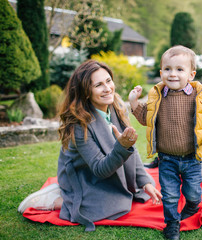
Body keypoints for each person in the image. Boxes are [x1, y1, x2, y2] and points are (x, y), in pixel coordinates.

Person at [17, 60, 162, 232]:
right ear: (86, 92)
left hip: (107, 169)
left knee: (131, 195)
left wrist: (144, 182)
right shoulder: (79, 125)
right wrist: (122, 147)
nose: (107, 88)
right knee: (111, 206)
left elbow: (133, 150)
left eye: (108, 81)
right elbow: (100, 169)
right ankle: (56, 200)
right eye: (98, 85)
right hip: (82, 175)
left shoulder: (116, 107)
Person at [129, 45, 202, 240]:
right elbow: (146, 117)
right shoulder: (157, 98)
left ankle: (192, 204)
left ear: (191, 74)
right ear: (161, 72)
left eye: (180, 69)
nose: (173, 74)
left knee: (193, 193)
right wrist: (133, 103)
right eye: (168, 69)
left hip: (192, 159)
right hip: (167, 159)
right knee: (170, 195)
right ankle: (172, 224)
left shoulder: (200, 96)